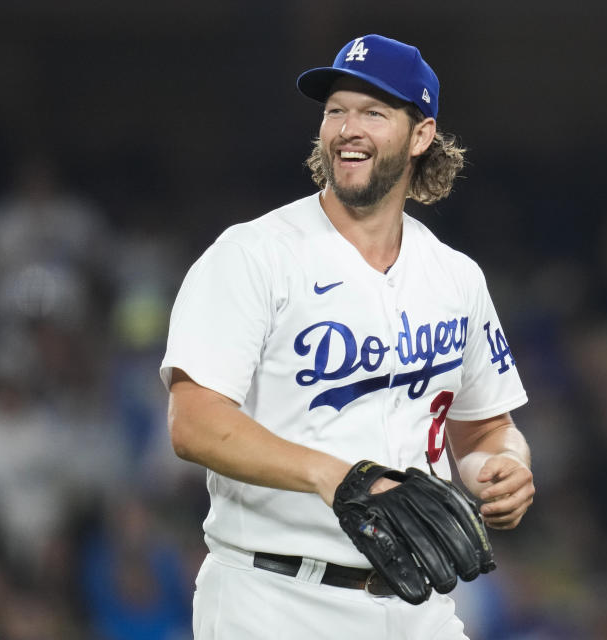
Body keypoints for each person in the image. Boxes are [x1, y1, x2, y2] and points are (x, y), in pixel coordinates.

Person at [161, 34, 535, 639]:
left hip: (420, 609)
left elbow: (486, 426)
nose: (346, 128)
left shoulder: (456, 277)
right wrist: (338, 475)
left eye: (373, 112)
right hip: (276, 599)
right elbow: (193, 422)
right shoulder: (253, 255)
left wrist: (507, 466)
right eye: (336, 109)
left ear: (421, 135)